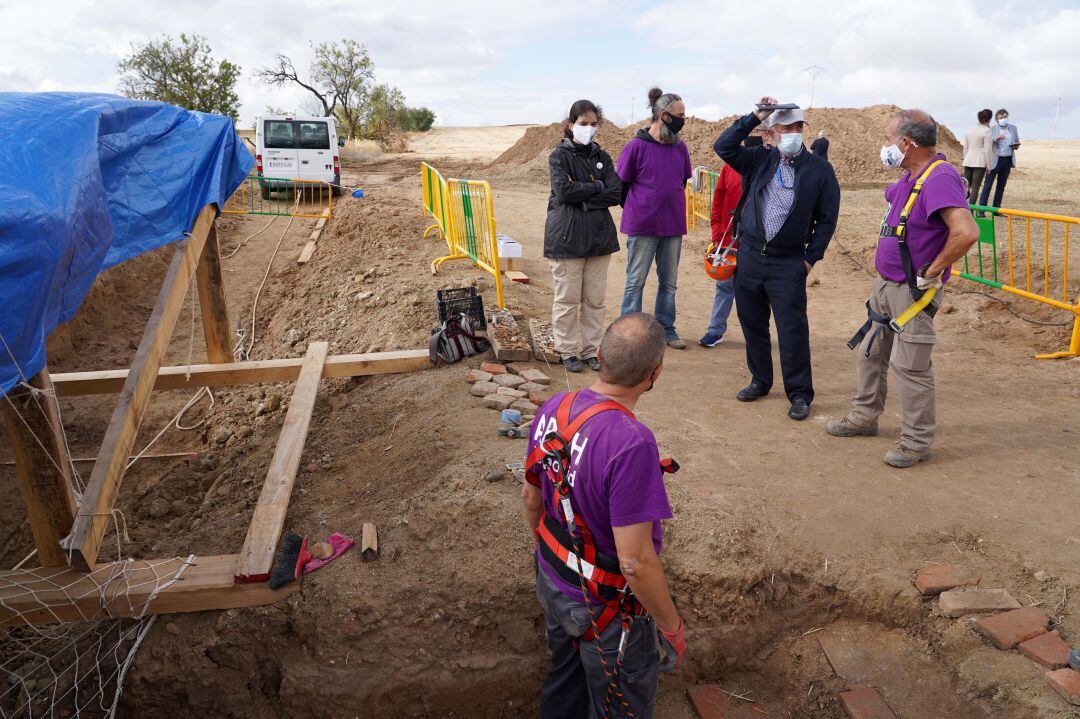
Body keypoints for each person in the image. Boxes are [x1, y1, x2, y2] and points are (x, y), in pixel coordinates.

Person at [522, 313, 686, 719]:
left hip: (554, 580)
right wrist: (671, 628)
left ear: (598, 356)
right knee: (618, 706)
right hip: (605, 610)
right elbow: (634, 561)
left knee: (565, 681)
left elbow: (531, 498)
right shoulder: (631, 443)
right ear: (655, 373)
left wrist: (554, 561)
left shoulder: (556, 407)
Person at [826, 109, 979, 468]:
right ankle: (864, 417)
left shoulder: (939, 178)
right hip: (886, 286)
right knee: (871, 353)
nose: (885, 145)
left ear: (906, 143)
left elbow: (966, 231)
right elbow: (892, 195)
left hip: (912, 292)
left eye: (887, 138)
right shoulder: (918, 174)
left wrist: (934, 270)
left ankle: (916, 442)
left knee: (910, 367)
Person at [713, 97, 841, 421]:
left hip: (789, 262)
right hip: (751, 257)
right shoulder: (759, 159)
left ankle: (799, 393)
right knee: (752, 324)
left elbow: (827, 219)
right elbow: (723, 146)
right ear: (771, 133)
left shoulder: (820, 171)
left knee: (792, 329)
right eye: (785, 128)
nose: (792, 133)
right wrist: (754, 116)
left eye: (797, 127)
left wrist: (810, 259)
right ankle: (760, 380)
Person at [544, 99, 622, 373]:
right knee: (567, 300)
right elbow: (563, 192)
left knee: (594, 300)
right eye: (583, 124)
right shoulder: (558, 157)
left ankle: (591, 350)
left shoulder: (603, 157)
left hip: (599, 240)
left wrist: (586, 194)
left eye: (592, 124)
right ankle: (567, 351)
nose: (588, 129)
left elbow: (615, 192)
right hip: (567, 239)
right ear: (570, 125)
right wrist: (597, 187)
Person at [618, 88, 693, 350]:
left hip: (672, 226)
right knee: (635, 281)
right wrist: (642, 208)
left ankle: (666, 329)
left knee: (669, 283)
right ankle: (628, 333)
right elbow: (622, 185)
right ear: (664, 115)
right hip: (643, 226)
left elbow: (682, 180)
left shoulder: (680, 147)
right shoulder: (636, 147)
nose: (685, 119)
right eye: (680, 115)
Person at [699, 125, 772, 347]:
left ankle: (758, 335)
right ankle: (716, 330)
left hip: (758, 237)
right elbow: (718, 200)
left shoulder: (772, 162)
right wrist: (716, 233)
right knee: (724, 285)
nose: (754, 133)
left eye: (760, 129)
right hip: (729, 236)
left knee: (757, 289)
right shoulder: (730, 166)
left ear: (768, 134)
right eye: (753, 129)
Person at [978, 108, 1020, 208]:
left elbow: (1017, 142)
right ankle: (981, 210)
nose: (1003, 119)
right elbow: (987, 143)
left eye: (1005, 117)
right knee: (987, 185)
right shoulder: (992, 129)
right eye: (1001, 118)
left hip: (1007, 160)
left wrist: (1016, 146)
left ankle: (996, 209)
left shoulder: (1013, 128)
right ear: (997, 120)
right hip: (994, 160)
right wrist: (996, 138)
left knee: (1001, 186)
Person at [962, 109, 994, 203]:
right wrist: (989, 166)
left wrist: (965, 159)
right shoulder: (987, 131)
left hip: (968, 161)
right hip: (980, 162)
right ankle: (970, 211)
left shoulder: (970, 130)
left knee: (965, 186)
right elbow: (988, 150)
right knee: (975, 188)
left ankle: (960, 207)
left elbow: (965, 148)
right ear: (989, 119)